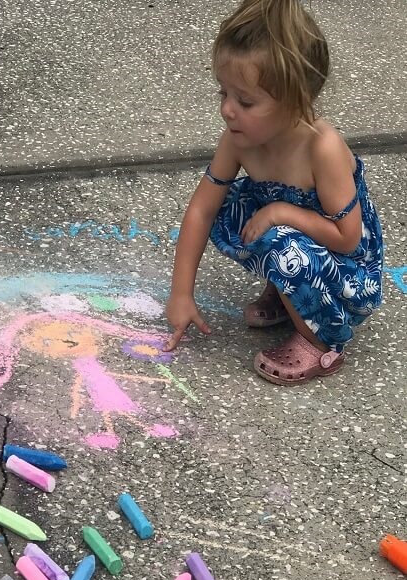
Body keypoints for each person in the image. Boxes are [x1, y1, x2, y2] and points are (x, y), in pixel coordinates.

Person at [164, 0, 383, 385]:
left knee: (278, 236)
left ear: (296, 101)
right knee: (231, 205)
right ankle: (290, 298)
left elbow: (348, 240)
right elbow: (201, 209)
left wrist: (283, 211)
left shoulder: (322, 147)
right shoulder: (239, 139)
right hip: (303, 252)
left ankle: (323, 342)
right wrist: (181, 294)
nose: (228, 110)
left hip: (350, 275)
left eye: (245, 101)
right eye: (223, 94)